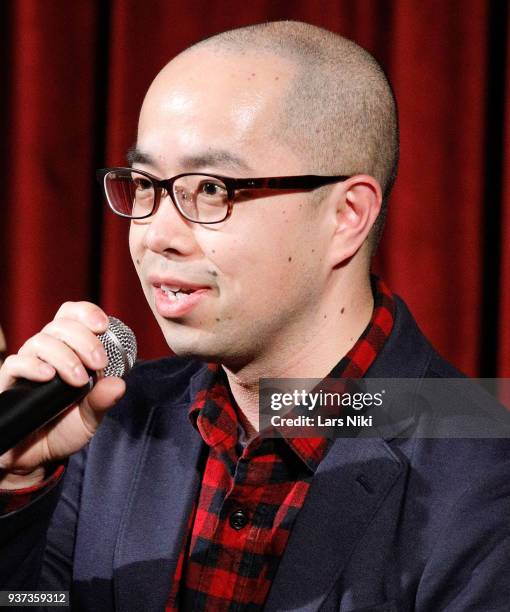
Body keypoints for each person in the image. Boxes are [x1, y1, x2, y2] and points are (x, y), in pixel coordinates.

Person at [0, 20, 509, 611]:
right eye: (144, 184)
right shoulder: (113, 416)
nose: (156, 234)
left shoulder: (481, 472)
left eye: (212, 188)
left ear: (346, 215)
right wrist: (16, 490)